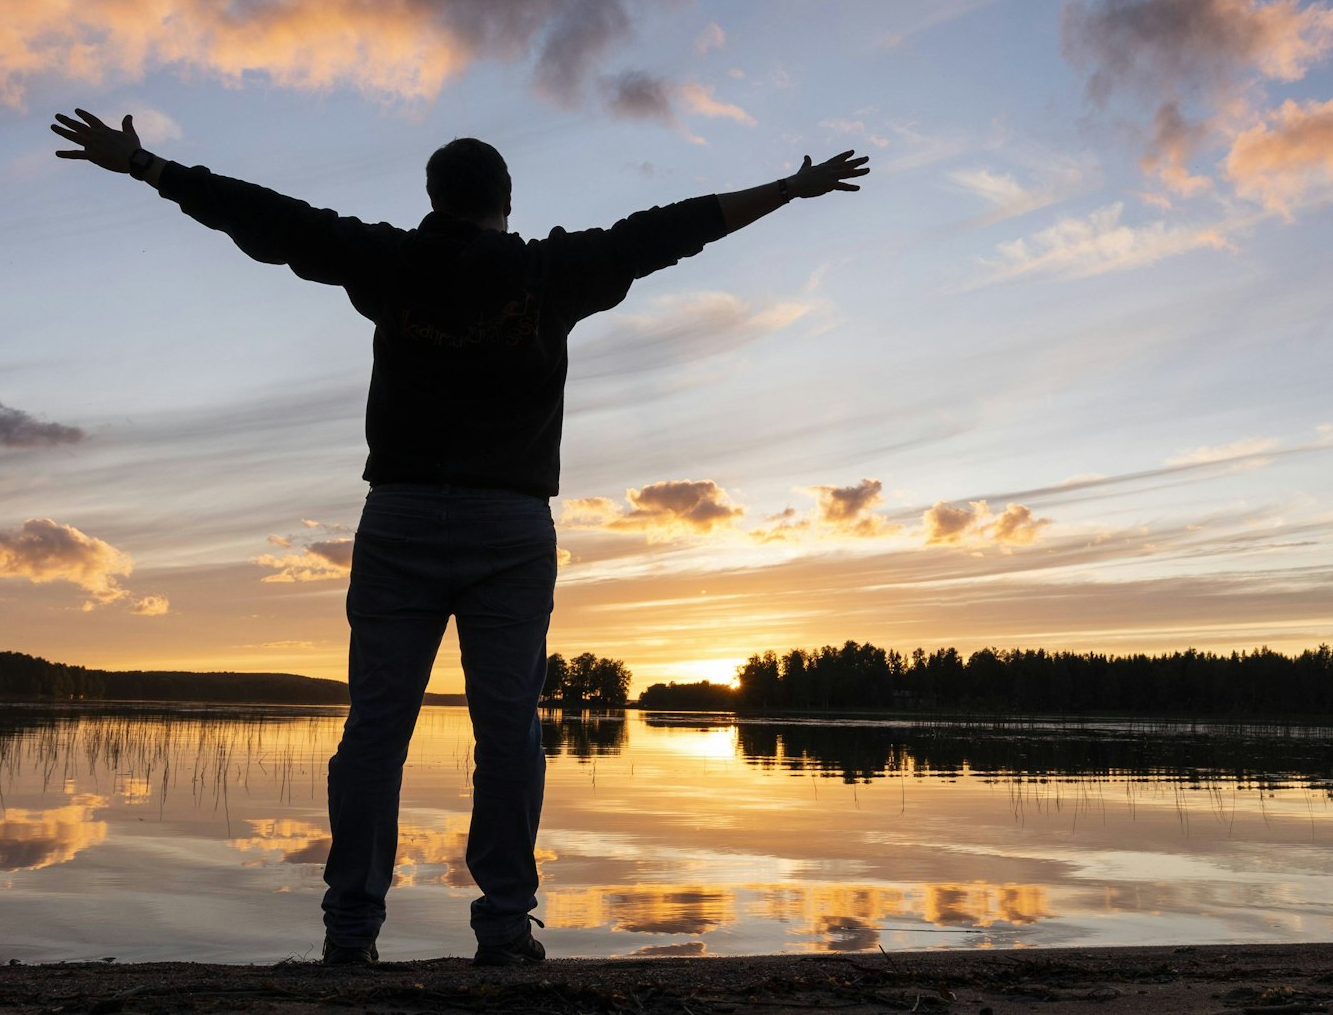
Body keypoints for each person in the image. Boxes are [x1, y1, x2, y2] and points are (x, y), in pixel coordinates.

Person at [49, 108, 869, 967]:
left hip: (399, 518)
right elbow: (670, 231)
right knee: (507, 731)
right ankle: (506, 929)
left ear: (435, 198)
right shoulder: (550, 271)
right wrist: (789, 188)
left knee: (375, 728)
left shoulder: (392, 261)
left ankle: (350, 931)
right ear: (505, 203)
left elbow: (268, 216)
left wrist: (146, 166)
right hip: (510, 526)